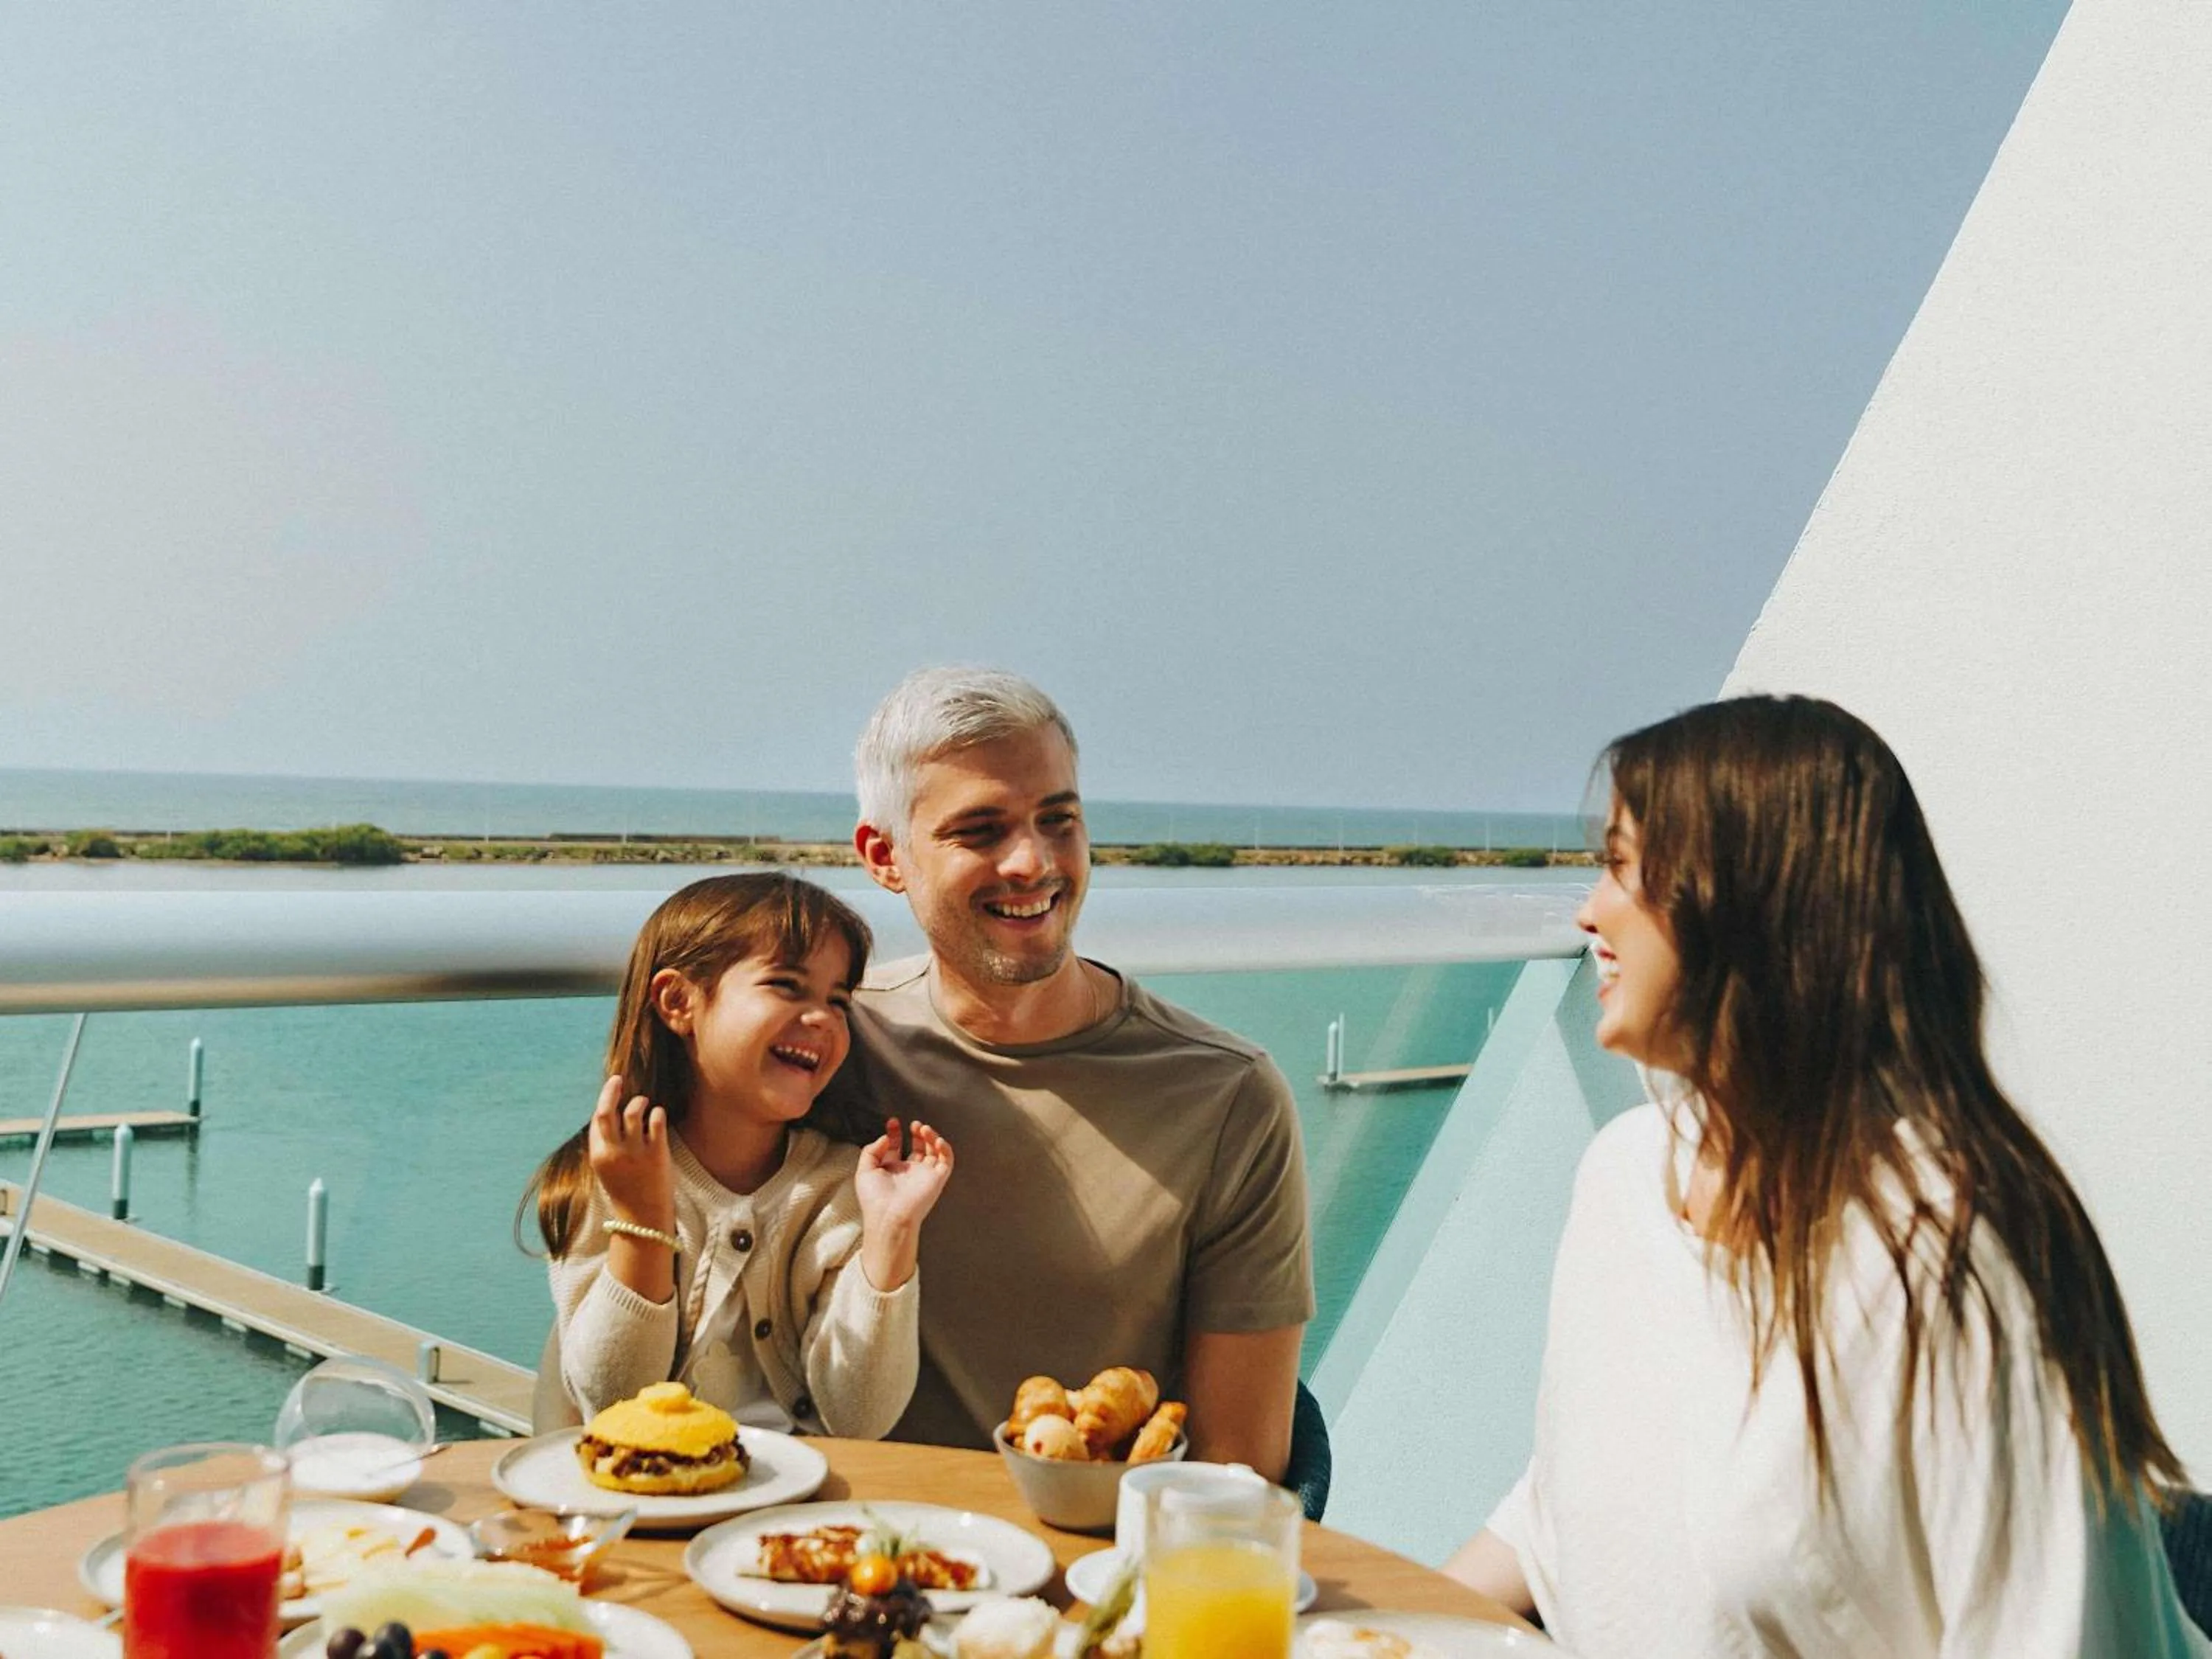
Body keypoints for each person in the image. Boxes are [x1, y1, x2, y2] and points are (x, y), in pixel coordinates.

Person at [1444, 695, 2208, 1658]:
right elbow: (1565, 1514)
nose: (1589, 912)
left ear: (1749, 906)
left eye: (1625, 867)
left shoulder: (1952, 1254)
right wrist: (1363, 1631)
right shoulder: (1622, 1177)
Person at [817, 666, 1313, 1477]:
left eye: (1059, 821)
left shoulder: (1227, 1098)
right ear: (884, 855)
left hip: (1090, 1551)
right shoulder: (825, 1050)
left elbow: (1240, 1469)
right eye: (980, 831)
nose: (1032, 862)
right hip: (835, 1540)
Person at [524, 872, 955, 1439]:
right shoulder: (612, 1174)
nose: (823, 1017)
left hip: (806, 1488)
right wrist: (642, 1221)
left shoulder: (843, 1186)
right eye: (786, 985)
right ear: (678, 1002)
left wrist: (893, 1232)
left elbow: (860, 1419)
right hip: (646, 1482)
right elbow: (613, 1404)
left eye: (838, 1000)